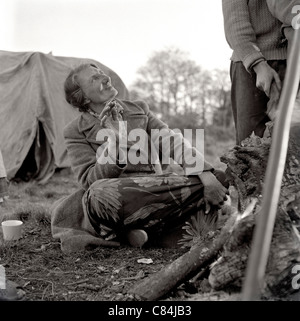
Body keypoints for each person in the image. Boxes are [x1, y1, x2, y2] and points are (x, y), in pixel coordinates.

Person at [61, 63, 229, 248]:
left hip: (154, 190)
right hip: (118, 197)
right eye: (94, 78)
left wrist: (204, 172)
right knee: (99, 193)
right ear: (83, 98)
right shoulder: (75, 131)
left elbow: (170, 139)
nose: (105, 78)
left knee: (218, 178)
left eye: (101, 73)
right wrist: (116, 145)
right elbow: (88, 180)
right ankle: (157, 229)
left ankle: (137, 232)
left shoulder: (138, 109)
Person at [222, 0, 288, 145]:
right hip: (250, 65)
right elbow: (235, 25)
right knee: (250, 144)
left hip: (292, 59)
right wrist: (258, 64)